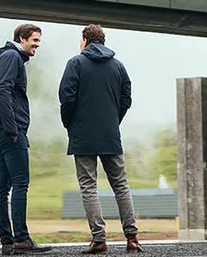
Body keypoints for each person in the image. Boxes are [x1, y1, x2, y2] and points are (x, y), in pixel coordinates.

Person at [58, 24, 143, 254]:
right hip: (110, 134)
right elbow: (127, 98)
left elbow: (66, 98)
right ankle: (132, 238)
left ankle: (99, 239)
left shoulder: (75, 63)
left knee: (89, 186)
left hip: (83, 134)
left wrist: (70, 124)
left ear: (85, 40)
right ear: (103, 41)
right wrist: (113, 121)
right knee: (121, 185)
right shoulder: (118, 66)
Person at [0, 23, 52, 255]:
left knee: (2, 187)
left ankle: (8, 242)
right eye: (35, 40)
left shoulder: (9, 56)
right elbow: (2, 90)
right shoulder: (12, 56)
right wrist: (14, 129)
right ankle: (21, 239)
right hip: (8, 131)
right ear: (22, 38)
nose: (37, 45)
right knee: (20, 184)